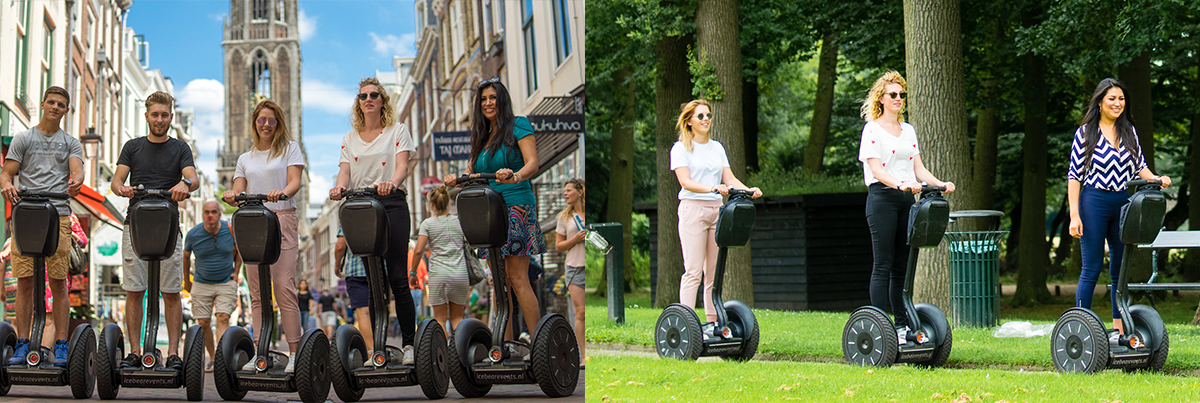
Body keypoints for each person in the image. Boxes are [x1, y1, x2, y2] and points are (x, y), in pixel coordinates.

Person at [443, 78, 547, 351]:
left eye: (492, 98)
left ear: (502, 100)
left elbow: (533, 163)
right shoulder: (481, 136)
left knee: (516, 277)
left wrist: (514, 175)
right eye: (483, 99)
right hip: (489, 212)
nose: (488, 103)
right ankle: (508, 344)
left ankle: (538, 343)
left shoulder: (518, 125)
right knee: (499, 282)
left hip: (516, 206)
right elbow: (475, 173)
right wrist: (459, 179)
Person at [1067, 78, 1171, 338]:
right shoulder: (1085, 132)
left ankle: (1118, 329)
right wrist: (1074, 215)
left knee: (1119, 270)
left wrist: (1156, 179)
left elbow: (1140, 167)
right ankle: (1081, 328)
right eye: (1112, 98)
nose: (1117, 103)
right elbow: (1074, 176)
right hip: (1093, 202)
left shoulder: (1129, 131)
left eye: (1121, 99)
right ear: (1100, 102)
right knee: (1091, 267)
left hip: (1122, 203)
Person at [857, 71, 955, 345]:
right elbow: (876, 170)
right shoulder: (872, 129)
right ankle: (880, 325)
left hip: (906, 199)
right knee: (883, 264)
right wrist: (900, 184)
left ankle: (901, 326)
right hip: (882, 198)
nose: (898, 98)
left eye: (901, 94)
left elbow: (918, 167)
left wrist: (940, 183)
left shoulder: (908, 130)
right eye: (893, 95)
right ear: (882, 99)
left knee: (902, 265)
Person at [329, 77, 417, 365]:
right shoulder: (349, 138)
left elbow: (402, 165)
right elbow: (344, 172)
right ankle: (376, 347)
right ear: (359, 103)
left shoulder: (397, 130)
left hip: (391, 203)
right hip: (362, 207)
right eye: (363, 96)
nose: (368, 99)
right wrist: (338, 188)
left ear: (382, 101)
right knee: (372, 280)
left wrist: (390, 182)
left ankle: (409, 344)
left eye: (374, 95)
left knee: (396, 278)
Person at [111, 90, 200, 370]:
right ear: (147, 116)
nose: (159, 119)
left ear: (171, 117)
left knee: (171, 292)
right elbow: (116, 181)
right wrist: (122, 188)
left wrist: (185, 184)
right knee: (134, 290)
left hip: (168, 226)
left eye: (164, 115)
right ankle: (135, 352)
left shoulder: (181, 148)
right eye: (155, 114)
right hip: (135, 226)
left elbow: (193, 178)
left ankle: (173, 353)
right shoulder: (132, 147)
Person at [0, 86, 85, 367]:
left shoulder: (71, 142)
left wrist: (77, 179)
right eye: (51, 102)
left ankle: (60, 343)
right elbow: (7, 172)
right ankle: (23, 343)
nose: (55, 107)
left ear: (66, 110)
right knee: (24, 281)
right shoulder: (24, 138)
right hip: (27, 215)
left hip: (58, 214)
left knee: (59, 282)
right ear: (43, 104)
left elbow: (77, 169)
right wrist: (7, 185)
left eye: (61, 104)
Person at [223, 99, 306, 372]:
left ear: (278, 123)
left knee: (283, 286)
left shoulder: (290, 149)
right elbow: (238, 187)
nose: (267, 125)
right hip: (255, 224)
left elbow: (295, 181)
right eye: (262, 120)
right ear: (255, 123)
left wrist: (283, 192)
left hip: (281, 218)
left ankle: (295, 353)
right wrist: (232, 196)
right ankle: (261, 352)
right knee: (258, 294)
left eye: (272, 120)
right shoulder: (245, 159)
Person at [670, 99, 762, 341]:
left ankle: (712, 326)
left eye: (708, 115)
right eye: (700, 116)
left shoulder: (717, 147)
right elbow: (685, 182)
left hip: (716, 211)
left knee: (713, 273)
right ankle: (686, 326)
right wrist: (712, 188)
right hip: (692, 210)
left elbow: (729, 178)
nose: (705, 119)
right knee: (693, 271)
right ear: (689, 121)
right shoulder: (680, 149)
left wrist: (748, 190)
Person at [183, 200, 242, 373]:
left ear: (219, 214)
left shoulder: (231, 230)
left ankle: (221, 361)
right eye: (207, 212)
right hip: (202, 282)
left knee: (223, 317)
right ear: (203, 214)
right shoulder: (193, 234)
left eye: (214, 212)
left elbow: (239, 251)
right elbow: (185, 257)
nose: (210, 215)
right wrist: (187, 280)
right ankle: (213, 357)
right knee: (203, 322)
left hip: (225, 281)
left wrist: (236, 272)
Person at [411, 185, 469, 333]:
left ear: (432, 204)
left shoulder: (428, 224)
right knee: (457, 318)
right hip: (460, 274)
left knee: (440, 319)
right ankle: (460, 352)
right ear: (448, 203)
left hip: (439, 275)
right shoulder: (460, 221)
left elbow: (418, 251)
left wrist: (413, 274)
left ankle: (444, 354)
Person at [554, 178, 586, 362]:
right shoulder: (564, 218)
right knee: (580, 311)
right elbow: (558, 246)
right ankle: (583, 356)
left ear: (580, 192)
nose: (565, 194)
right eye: (564, 191)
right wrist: (575, 240)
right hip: (574, 267)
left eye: (569, 190)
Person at [334, 227, 376, 362]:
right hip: (378, 269)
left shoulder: (348, 216)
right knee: (378, 310)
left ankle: (371, 353)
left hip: (356, 272)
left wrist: (337, 264)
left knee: (363, 314)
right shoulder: (378, 210)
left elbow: (340, 246)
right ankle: (381, 349)